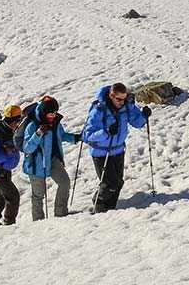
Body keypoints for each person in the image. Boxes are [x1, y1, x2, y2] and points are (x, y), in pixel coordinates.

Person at [83, 83, 149, 212]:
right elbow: (87, 136)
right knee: (109, 184)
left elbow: (137, 123)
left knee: (118, 183)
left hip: (118, 150)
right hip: (101, 152)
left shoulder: (126, 106)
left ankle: (111, 210)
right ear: (111, 95)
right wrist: (106, 132)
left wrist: (144, 116)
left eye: (124, 99)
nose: (121, 102)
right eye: (118, 99)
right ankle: (99, 205)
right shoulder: (99, 110)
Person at [21, 96, 81, 221]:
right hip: (36, 164)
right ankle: (38, 221)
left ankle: (61, 214)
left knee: (65, 183)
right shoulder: (32, 126)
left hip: (53, 159)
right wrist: (38, 134)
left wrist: (76, 138)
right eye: (50, 113)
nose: (53, 116)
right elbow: (27, 148)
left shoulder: (55, 123)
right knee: (38, 195)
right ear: (43, 112)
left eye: (54, 113)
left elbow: (62, 135)